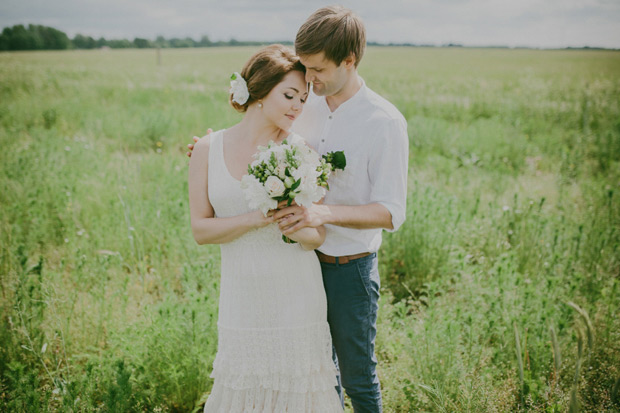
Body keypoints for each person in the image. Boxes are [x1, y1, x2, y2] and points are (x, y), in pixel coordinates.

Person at [189, 7, 408, 412]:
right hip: (294, 266)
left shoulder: (383, 122)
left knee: (355, 377)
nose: (309, 79)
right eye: (304, 69)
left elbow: (393, 212)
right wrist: (209, 155)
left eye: (318, 69)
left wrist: (323, 215)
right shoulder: (305, 101)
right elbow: (258, 125)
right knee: (316, 377)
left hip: (346, 264)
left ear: (349, 62)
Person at [188, 44, 343, 412]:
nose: (297, 107)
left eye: (303, 99)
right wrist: (259, 216)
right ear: (258, 90)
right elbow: (200, 230)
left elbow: (315, 237)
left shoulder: (300, 151)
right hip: (242, 298)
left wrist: (294, 221)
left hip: (297, 296)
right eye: (289, 95)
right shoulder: (207, 149)